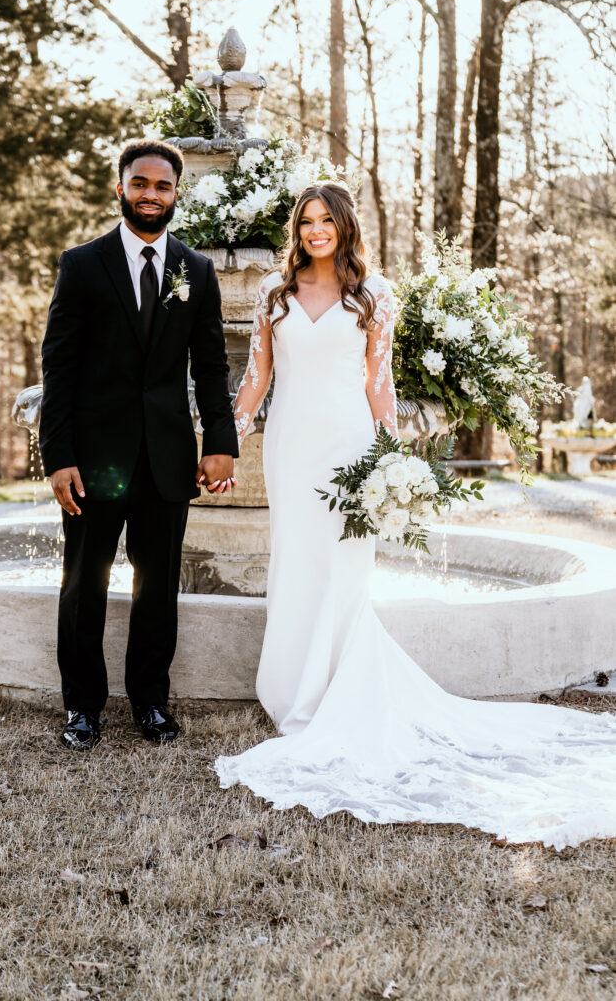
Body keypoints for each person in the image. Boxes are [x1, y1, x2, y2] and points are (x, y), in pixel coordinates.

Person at [215, 182, 616, 849]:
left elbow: (379, 382)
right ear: (298, 229)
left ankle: (331, 691)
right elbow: (255, 379)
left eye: (326, 221)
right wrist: (226, 440)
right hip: (290, 443)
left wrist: (387, 458)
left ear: (344, 226)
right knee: (296, 560)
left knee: (342, 568)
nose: (316, 231)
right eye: (306, 221)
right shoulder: (273, 294)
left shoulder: (373, 295)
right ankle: (289, 690)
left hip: (348, 441)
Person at [40, 140, 238, 750]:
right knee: (85, 583)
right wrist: (59, 456)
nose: (151, 194)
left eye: (163, 185)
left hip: (166, 458)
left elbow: (209, 366)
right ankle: (83, 709)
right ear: (120, 188)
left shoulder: (195, 271)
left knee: (157, 584)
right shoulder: (82, 264)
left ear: (177, 194)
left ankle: (151, 702)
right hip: (94, 458)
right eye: (141, 183)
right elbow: (59, 365)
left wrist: (220, 443)